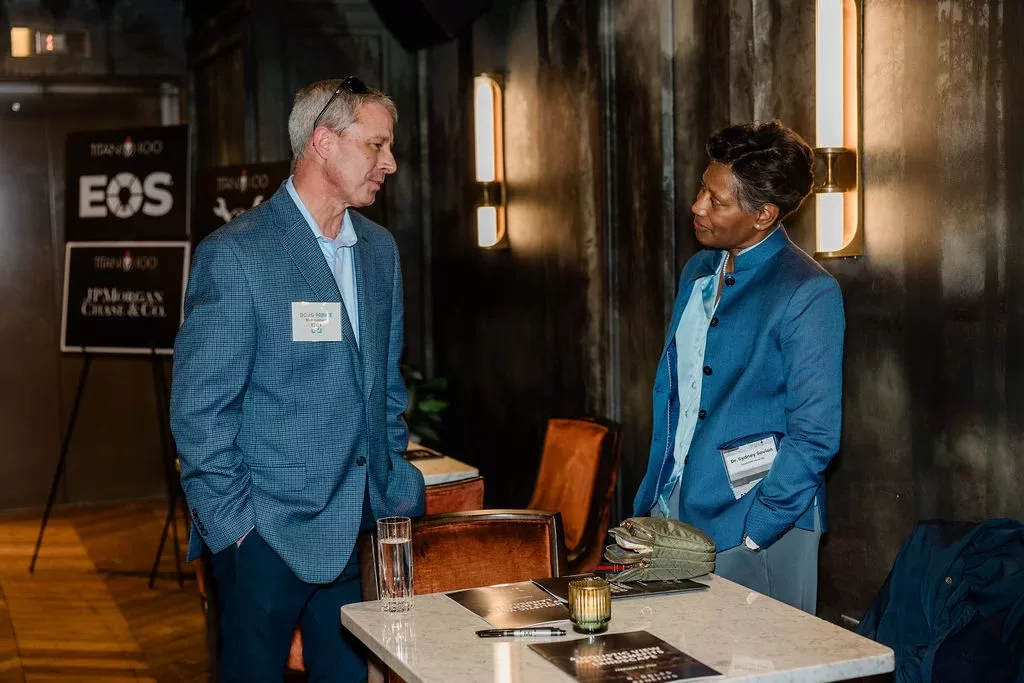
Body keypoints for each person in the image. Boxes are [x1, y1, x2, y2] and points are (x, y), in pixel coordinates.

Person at [170, 76, 425, 682]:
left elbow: (385, 389)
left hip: (357, 527)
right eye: (377, 145)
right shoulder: (238, 254)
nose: (390, 163)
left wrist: (388, 481)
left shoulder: (379, 251)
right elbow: (199, 413)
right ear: (324, 142)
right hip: (265, 537)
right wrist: (240, 532)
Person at [632, 120, 845, 614]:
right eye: (701, 190)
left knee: (763, 653)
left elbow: (815, 433)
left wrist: (760, 527)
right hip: (677, 501)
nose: (697, 207)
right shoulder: (698, 269)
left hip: (762, 519)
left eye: (716, 201)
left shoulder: (808, 291)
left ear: (763, 214)